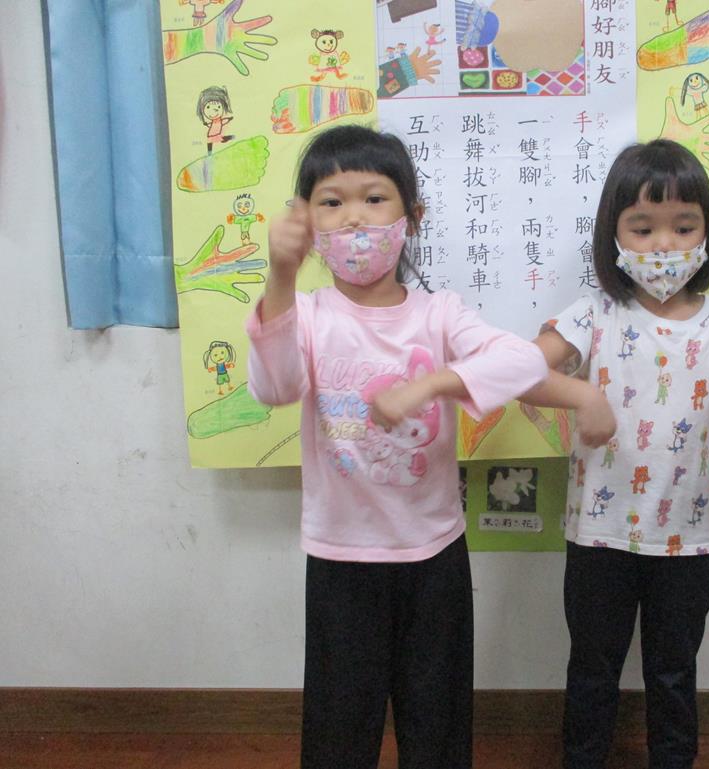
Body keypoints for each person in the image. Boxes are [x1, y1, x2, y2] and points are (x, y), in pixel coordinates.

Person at [245, 124, 548, 769]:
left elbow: (523, 363)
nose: (354, 217)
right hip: (341, 556)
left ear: (413, 216)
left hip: (433, 553)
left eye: (374, 198)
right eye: (332, 202)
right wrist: (280, 275)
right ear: (307, 222)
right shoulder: (310, 314)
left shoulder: (440, 314)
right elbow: (274, 388)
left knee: (437, 727)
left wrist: (432, 383)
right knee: (339, 731)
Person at [520, 139, 709, 769]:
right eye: (643, 228)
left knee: (674, 671)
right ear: (614, 235)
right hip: (598, 535)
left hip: (687, 539)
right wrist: (578, 393)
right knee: (592, 668)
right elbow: (518, 373)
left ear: (707, 233)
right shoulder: (594, 314)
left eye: (683, 226)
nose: (663, 244)